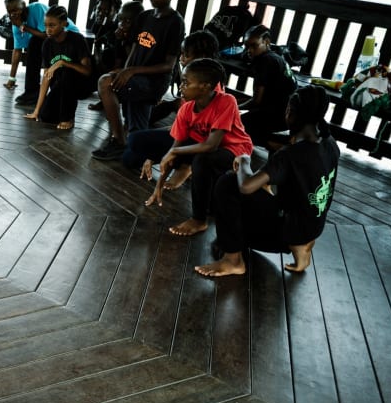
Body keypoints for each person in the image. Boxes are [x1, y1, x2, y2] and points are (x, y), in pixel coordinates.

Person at [195, 85, 339, 277]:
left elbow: (246, 187)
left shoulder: (290, 155)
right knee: (264, 183)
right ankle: (301, 248)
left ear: (290, 112)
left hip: (281, 234)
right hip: (311, 227)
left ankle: (233, 261)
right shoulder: (330, 144)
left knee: (228, 182)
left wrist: (244, 160)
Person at [145, 59, 254, 238]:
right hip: (207, 149)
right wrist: (159, 185)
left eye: (186, 82)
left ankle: (198, 220)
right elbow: (174, 150)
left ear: (205, 86)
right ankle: (208, 199)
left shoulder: (227, 101)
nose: (181, 86)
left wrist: (174, 152)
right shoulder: (186, 109)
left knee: (202, 160)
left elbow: (212, 146)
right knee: (184, 156)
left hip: (235, 150)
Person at [91, 0, 186, 160]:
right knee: (136, 150)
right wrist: (125, 71)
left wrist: (131, 71)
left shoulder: (175, 23)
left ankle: (118, 141)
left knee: (104, 83)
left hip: (154, 81)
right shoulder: (144, 17)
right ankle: (130, 141)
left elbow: (168, 66)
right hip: (135, 77)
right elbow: (134, 49)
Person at [102, 30, 220, 182]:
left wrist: (166, 153)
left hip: (196, 143)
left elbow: (199, 133)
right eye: (181, 54)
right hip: (183, 136)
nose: (181, 59)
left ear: (202, 57)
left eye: (186, 55)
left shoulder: (207, 89)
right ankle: (177, 158)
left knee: (134, 140)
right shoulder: (192, 82)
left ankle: (187, 164)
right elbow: (180, 125)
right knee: (129, 159)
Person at [3, 0, 80, 107]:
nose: (14, 14)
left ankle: (53, 92)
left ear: (23, 5)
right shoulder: (16, 23)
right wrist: (12, 78)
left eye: (16, 9)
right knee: (33, 44)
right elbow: (17, 50)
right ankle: (32, 92)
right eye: (10, 12)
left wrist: (24, 27)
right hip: (52, 43)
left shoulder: (37, 8)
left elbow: (49, 34)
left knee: (34, 42)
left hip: (69, 38)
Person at [23, 6, 92, 130]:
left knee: (67, 73)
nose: (47, 30)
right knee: (46, 116)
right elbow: (46, 77)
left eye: (52, 25)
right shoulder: (47, 44)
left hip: (80, 86)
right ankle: (58, 112)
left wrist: (64, 63)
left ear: (64, 24)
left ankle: (68, 118)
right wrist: (36, 110)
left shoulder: (77, 39)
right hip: (60, 86)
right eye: (45, 25)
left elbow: (87, 71)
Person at [238, 24, 296, 151]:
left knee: (237, 125)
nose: (250, 51)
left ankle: (278, 145)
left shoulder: (264, 62)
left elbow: (256, 101)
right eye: (247, 46)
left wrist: (234, 108)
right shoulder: (276, 57)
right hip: (289, 113)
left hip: (280, 115)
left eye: (254, 46)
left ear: (267, 42)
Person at [86, 0, 142, 111]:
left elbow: (132, 58)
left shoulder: (139, 37)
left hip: (134, 68)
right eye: (121, 20)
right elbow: (118, 57)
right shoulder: (117, 32)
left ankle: (111, 100)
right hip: (121, 64)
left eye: (128, 21)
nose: (122, 24)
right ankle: (105, 100)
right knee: (106, 60)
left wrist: (125, 40)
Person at [87, 0, 124, 78]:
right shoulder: (97, 25)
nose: (100, 13)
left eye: (106, 10)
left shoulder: (119, 30)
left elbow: (119, 61)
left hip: (113, 71)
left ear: (116, 12)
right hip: (100, 65)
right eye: (99, 9)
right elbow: (97, 48)